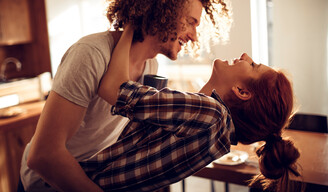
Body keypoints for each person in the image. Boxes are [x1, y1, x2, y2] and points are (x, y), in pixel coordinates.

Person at [20, 0, 231, 192]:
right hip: (48, 181)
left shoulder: (151, 64)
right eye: (191, 22)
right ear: (163, 11)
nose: (193, 35)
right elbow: (44, 156)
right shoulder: (91, 54)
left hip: (88, 175)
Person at [80, 25, 301, 192]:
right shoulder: (219, 140)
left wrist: (130, 26)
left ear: (242, 91)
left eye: (253, 66)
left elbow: (112, 89)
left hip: (81, 180)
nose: (245, 56)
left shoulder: (211, 115)